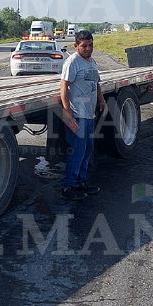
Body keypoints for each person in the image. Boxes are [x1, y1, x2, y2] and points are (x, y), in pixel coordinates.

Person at [59, 30, 106, 200]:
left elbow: (96, 84)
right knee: (77, 151)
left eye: (91, 45)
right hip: (78, 114)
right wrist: (68, 113)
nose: (88, 48)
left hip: (90, 114)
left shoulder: (92, 62)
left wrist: (102, 100)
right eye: (84, 45)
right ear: (76, 46)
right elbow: (64, 87)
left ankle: (81, 183)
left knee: (86, 151)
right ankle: (68, 186)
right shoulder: (72, 62)